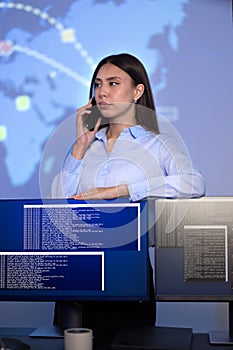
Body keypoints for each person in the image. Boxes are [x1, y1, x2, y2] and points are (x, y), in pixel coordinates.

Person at [50, 53, 205, 343]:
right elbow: (60, 202)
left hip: (129, 270)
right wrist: (80, 146)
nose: (102, 92)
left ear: (137, 91)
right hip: (77, 268)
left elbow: (193, 182)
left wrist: (120, 191)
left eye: (113, 83)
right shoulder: (86, 146)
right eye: (97, 84)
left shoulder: (159, 143)